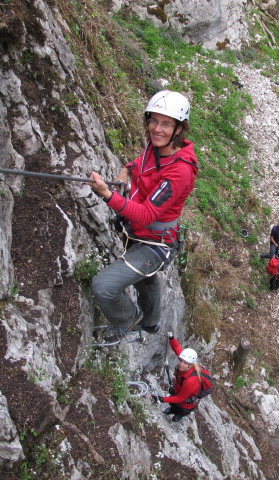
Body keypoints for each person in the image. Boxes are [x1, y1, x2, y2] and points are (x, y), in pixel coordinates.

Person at [89, 91, 198, 343]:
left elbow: (148, 214)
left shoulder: (180, 170)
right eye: (153, 121)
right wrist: (126, 171)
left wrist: (107, 195)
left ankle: (128, 319)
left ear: (179, 129)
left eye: (166, 124)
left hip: (155, 243)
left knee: (103, 287)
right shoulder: (156, 148)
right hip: (138, 233)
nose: (157, 129)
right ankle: (151, 322)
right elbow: (142, 164)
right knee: (146, 279)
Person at [148, 332, 202, 423]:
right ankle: (172, 410)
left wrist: (160, 399)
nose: (181, 364)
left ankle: (179, 415)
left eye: (185, 363)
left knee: (182, 408)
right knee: (173, 404)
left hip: (186, 403)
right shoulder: (186, 362)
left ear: (190, 365)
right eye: (181, 361)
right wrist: (171, 338)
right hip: (178, 390)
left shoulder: (191, 381)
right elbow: (177, 349)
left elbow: (180, 399)